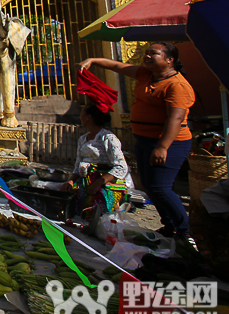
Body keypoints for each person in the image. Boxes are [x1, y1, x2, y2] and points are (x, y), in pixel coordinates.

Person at [79, 42, 196, 244]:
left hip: (169, 143)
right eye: (147, 52)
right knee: (150, 186)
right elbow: (117, 66)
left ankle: (184, 230)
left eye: (154, 53)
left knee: (161, 187)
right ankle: (169, 225)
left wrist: (162, 146)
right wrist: (93, 60)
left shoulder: (177, 85)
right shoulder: (145, 74)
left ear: (170, 60)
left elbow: (175, 119)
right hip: (145, 140)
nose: (148, 56)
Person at [61, 101, 132, 225]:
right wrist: (71, 180)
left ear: (89, 117)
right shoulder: (83, 139)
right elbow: (78, 164)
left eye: (82, 114)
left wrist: (99, 182)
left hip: (105, 181)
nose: (80, 117)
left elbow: (121, 167)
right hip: (86, 180)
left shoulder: (108, 138)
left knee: (97, 211)